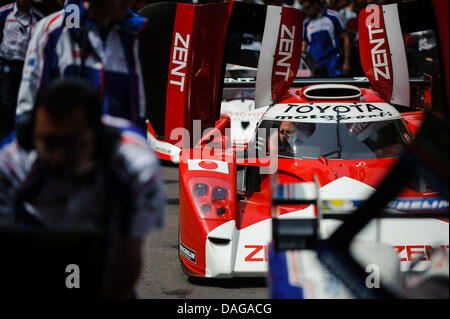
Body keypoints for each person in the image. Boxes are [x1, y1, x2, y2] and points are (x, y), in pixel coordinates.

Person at [0, 78, 166, 298]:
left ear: (98, 139)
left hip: (103, 255)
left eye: (70, 145)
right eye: (48, 143)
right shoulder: (10, 162)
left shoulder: (136, 166)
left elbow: (127, 258)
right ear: (30, 136)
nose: (58, 158)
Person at [16, 0, 148, 131]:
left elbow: (136, 115)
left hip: (112, 149)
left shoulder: (130, 37)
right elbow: (27, 115)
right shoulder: (53, 31)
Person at [0, 0, 43, 141]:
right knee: (7, 103)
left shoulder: (38, 18)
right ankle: (7, 134)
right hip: (7, 64)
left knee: (23, 101)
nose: (24, 1)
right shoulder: (4, 12)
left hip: (26, 66)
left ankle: (18, 135)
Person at [301, 0, 350, 77]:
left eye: (307, 8)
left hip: (333, 63)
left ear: (316, 5)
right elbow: (304, 46)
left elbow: (346, 39)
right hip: (315, 66)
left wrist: (346, 62)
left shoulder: (334, 16)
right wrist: (306, 65)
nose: (305, 11)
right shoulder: (306, 23)